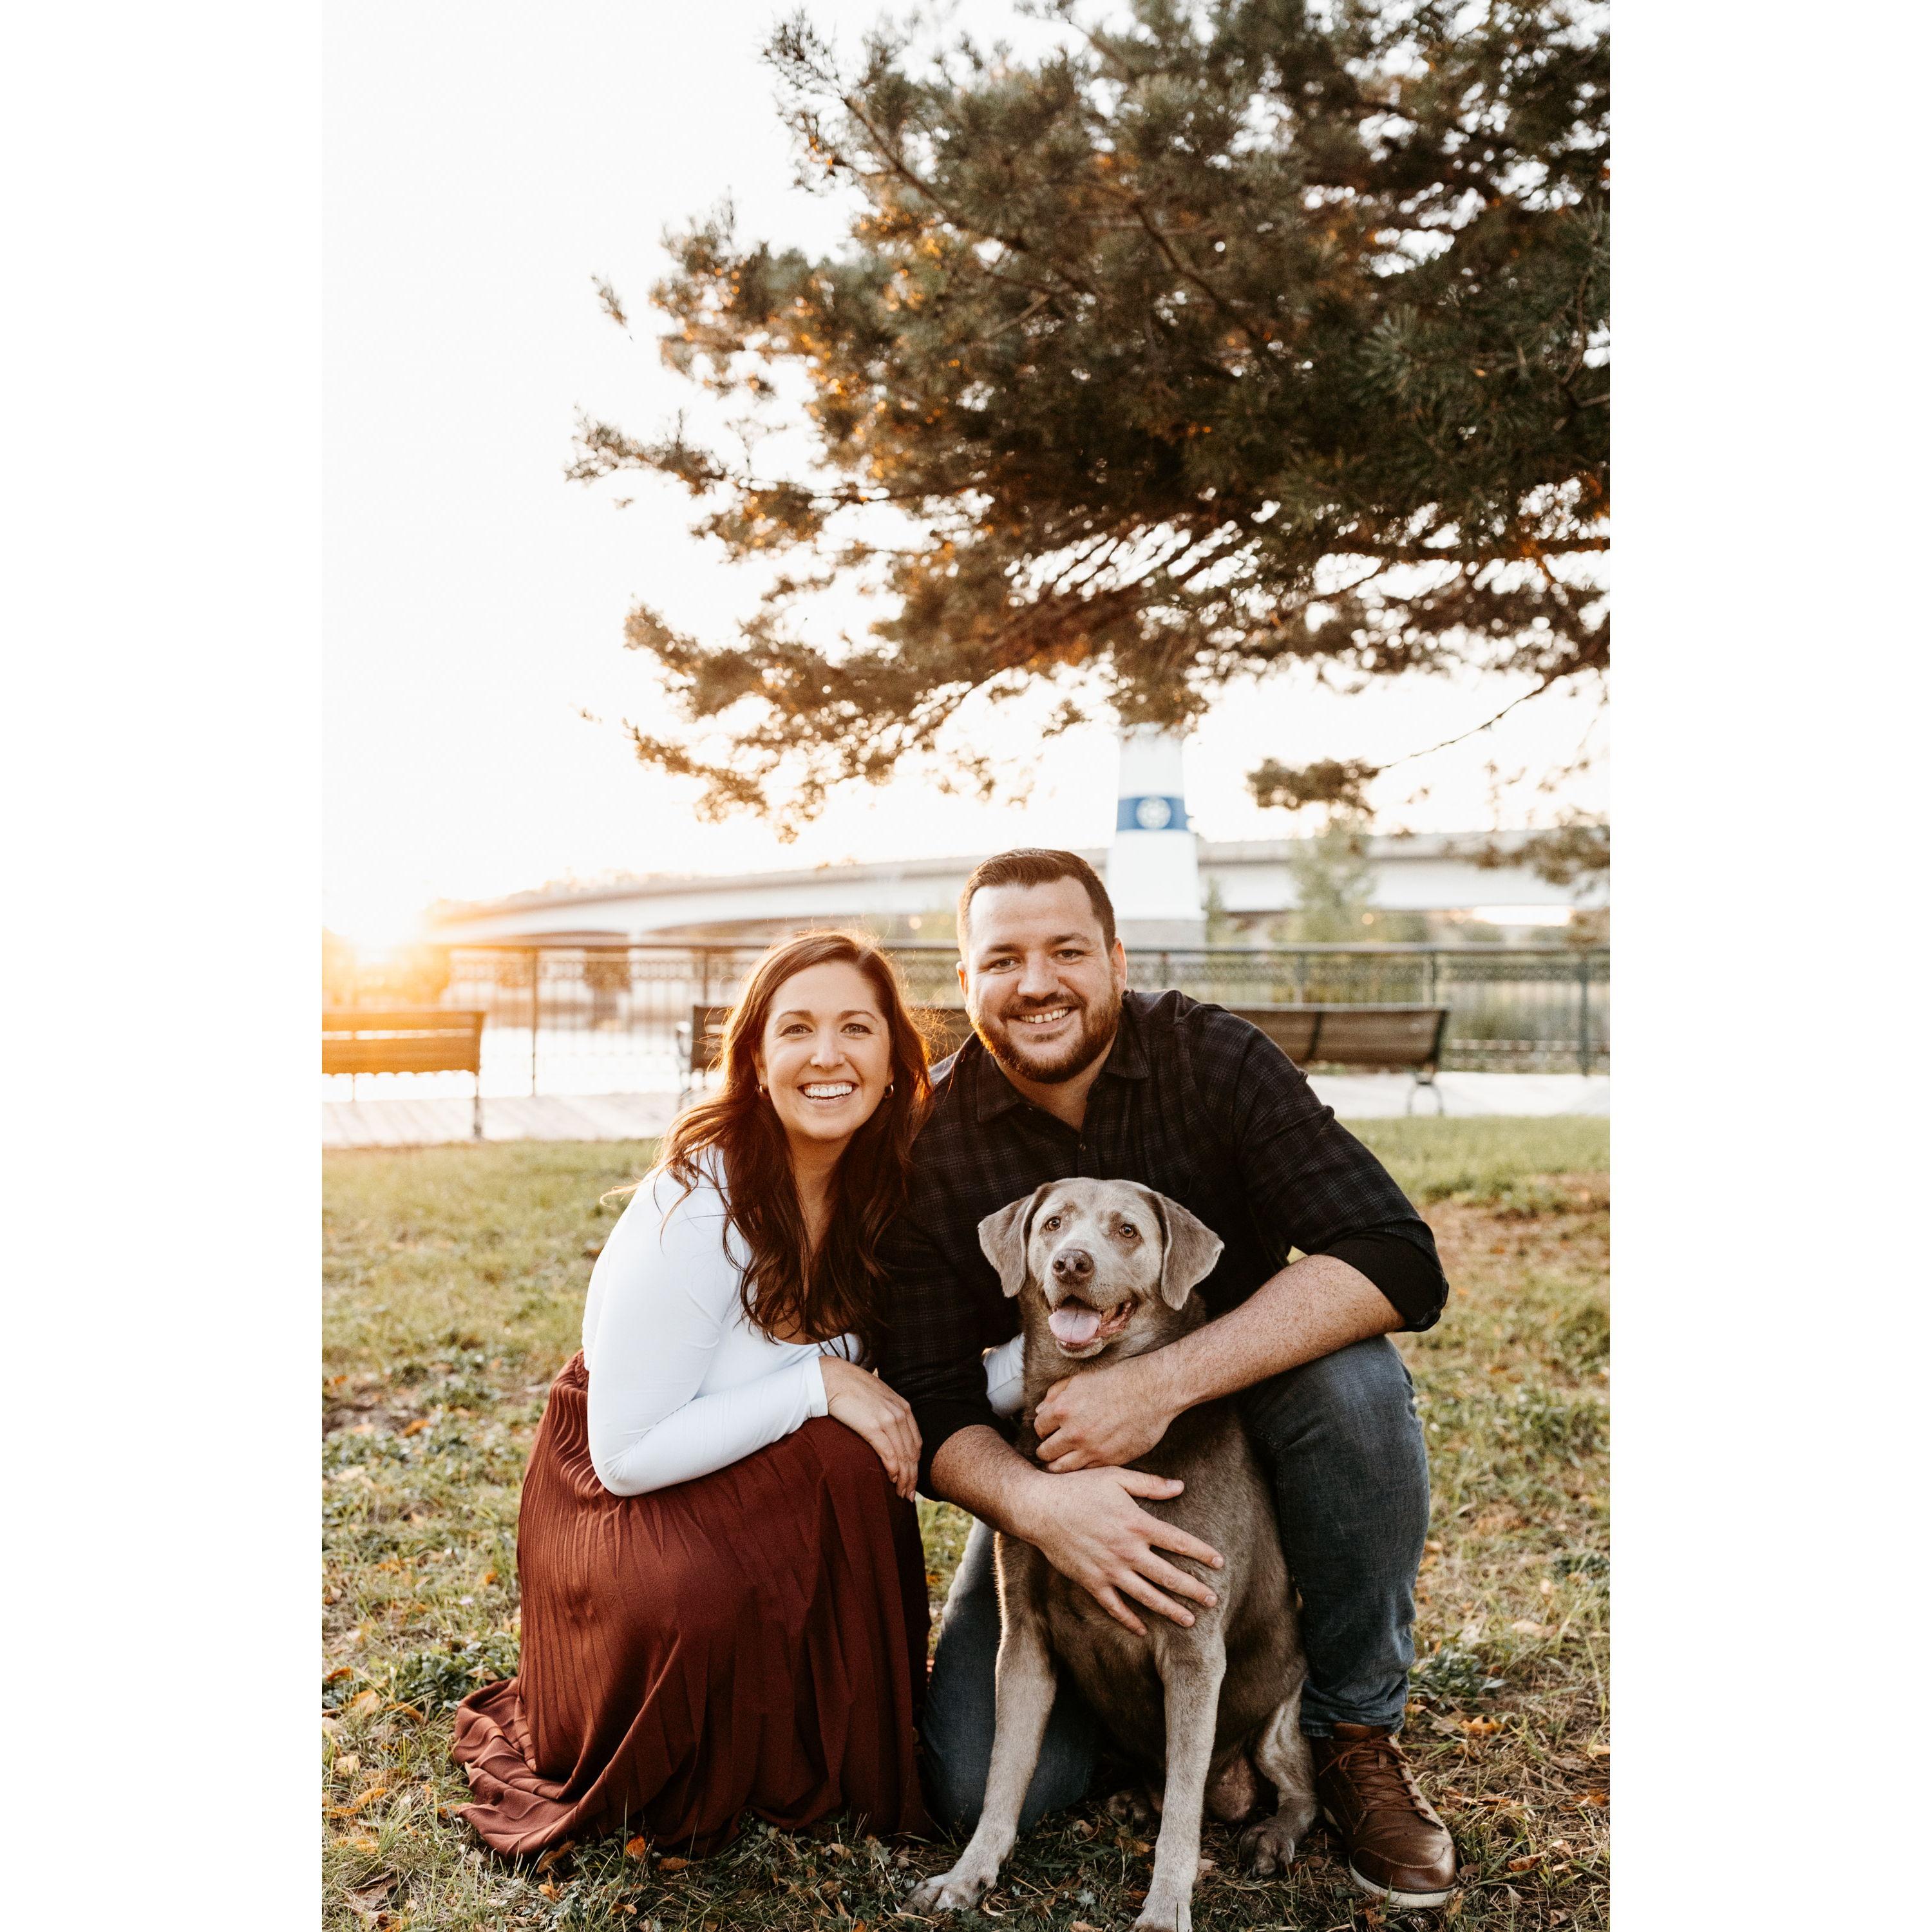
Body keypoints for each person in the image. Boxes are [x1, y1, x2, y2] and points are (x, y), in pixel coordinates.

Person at [878, 850, 1460, 1910]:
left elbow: (1395, 1256)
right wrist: (1043, 1507)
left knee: (1356, 1387)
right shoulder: (936, 1135)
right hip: (1051, 1455)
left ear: (1116, 959)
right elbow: (928, 1392)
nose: (1037, 981)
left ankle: (1349, 1735)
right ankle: (1147, 1717)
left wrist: (1165, 1384)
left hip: (1242, 1406)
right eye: (1001, 959)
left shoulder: (1214, 1060)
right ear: (966, 983)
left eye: (1065, 951)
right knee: (966, 1780)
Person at [452, 931, 1019, 1856]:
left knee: (853, 1459)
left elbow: (926, 1390)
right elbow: (625, 1456)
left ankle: (807, 1743)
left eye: (856, 1029)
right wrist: (816, 1380)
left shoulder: (888, 1196)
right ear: (755, 1061)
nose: (827, 1055)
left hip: (748, 1475)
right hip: (616, 1496)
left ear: (893, 1062)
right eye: (796, 1029)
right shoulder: (699, 1203)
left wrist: (1076, 1361)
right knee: (708, 1586)